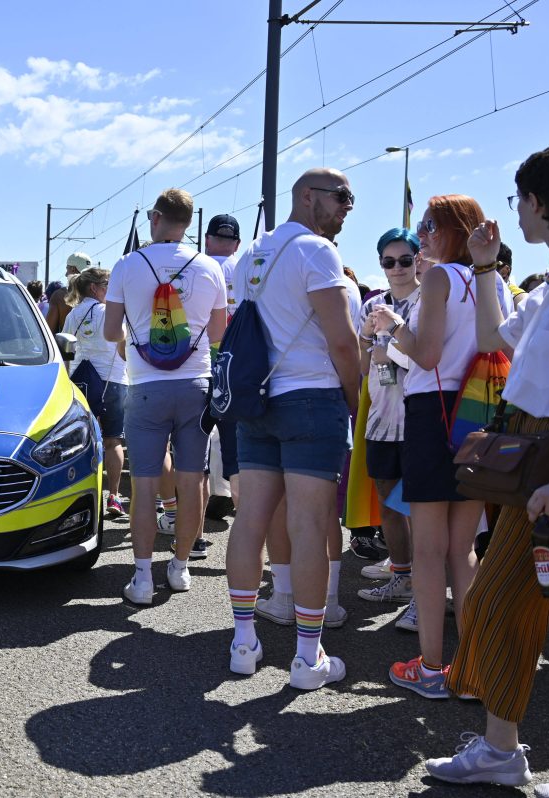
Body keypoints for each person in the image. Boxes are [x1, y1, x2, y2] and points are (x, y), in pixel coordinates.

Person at [422, 142, 549, 787]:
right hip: (535, 464)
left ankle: (501, 750)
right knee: (499, 605)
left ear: (537, 203)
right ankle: (501, 751)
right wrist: (484, 268)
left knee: (506, 602)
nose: (517, 211)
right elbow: (493, 337)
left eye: (520, 200)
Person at [370, 194, 511, 699]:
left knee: (428, 550)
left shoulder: (439, 278)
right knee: (463, 549)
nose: (422, 234)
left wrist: (393, 328)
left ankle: (431, 669)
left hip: (434, 415)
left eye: (430, 226)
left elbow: (425, 353)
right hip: (480, 414)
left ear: (456, 230)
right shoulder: (491, 282)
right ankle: (471, 670)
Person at [224, 168, 360, 690]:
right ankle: (307, 658)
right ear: (309, 197)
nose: (347, 207)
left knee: (250, 521)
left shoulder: (250, 256)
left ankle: (243, 642)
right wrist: (354, 403)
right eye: (342, 197)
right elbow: (343, 343)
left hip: (258, 401)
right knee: (308, 525)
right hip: (312, 399)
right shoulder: (316, 252)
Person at [103, 188, 226, 603]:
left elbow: (109, 332)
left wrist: (134, 347)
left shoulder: (126, 265)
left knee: (144, 484)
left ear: (154, 218)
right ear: (189, 223)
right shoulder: (209, 267)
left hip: (145, 388)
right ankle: (180, 568)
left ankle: (141, 578)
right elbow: (218, 333)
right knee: (192, 484)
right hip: (196, 384)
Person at [354, 229, 421, 622]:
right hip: (381, 418)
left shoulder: (427, 300)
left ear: (417, 260)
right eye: (388, 261)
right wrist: (366, 338)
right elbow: (364, 369)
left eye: (404, 260)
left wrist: (390, 348)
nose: (396, 268)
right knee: (388, 504)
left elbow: (429, 359)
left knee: (419, 510)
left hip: (418, 419)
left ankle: (424, 596)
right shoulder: (373, 306)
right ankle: (402, 576)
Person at [65, 268, 128, 519]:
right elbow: (123, 347)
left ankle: (82, 495)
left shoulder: (73, 314)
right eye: (108, 284)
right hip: (113, 380)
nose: (111, 289)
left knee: (83, 442)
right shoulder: (110, 312)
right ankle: (113, 496)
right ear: (95, 288)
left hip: (81, 383)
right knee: (113, 441)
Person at [204, 214, 243, 521]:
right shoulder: (245, 269)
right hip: (237, 365)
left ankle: (186, 523)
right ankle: (246, 525)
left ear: (207, 239)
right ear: (237, 244)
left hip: (200, 363)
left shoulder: (197, 268)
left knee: (195, 447)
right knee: (234, 448)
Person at [46, 252, 89, 333]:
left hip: (69, 345)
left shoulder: (59, 296)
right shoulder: (99, 294)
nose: (66, 274)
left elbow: (49, 332)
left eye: (67, 269)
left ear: (73, 269)